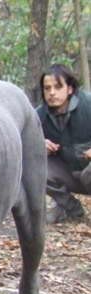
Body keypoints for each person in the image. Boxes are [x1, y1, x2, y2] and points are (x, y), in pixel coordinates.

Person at [36, 64, 91, 223]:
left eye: (58, 87)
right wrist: (39, 144)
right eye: (47, 88)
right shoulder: (39, 116)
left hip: (88, 172)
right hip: (70, 173)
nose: (52, 93)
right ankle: (71, 209)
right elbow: (21, 143)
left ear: (70, 89)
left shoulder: (87, 105)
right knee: (35, 166)